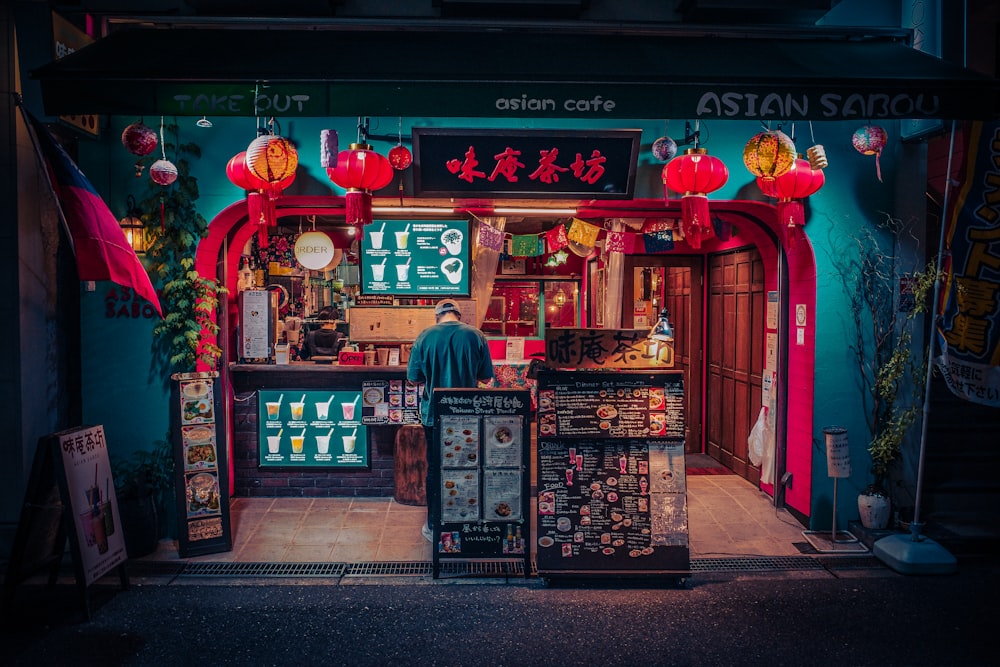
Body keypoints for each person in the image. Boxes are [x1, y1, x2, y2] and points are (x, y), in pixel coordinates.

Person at [407, 299, 494, 541]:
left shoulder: (425, 337)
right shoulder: (476, 336)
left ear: (437, 316)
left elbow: (413, 379)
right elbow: (486, 378)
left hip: (434, 415)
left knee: (435, 468)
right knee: (468, 467)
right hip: (467, 417)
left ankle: (435, 525)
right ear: (457, 314)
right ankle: (465, 521)